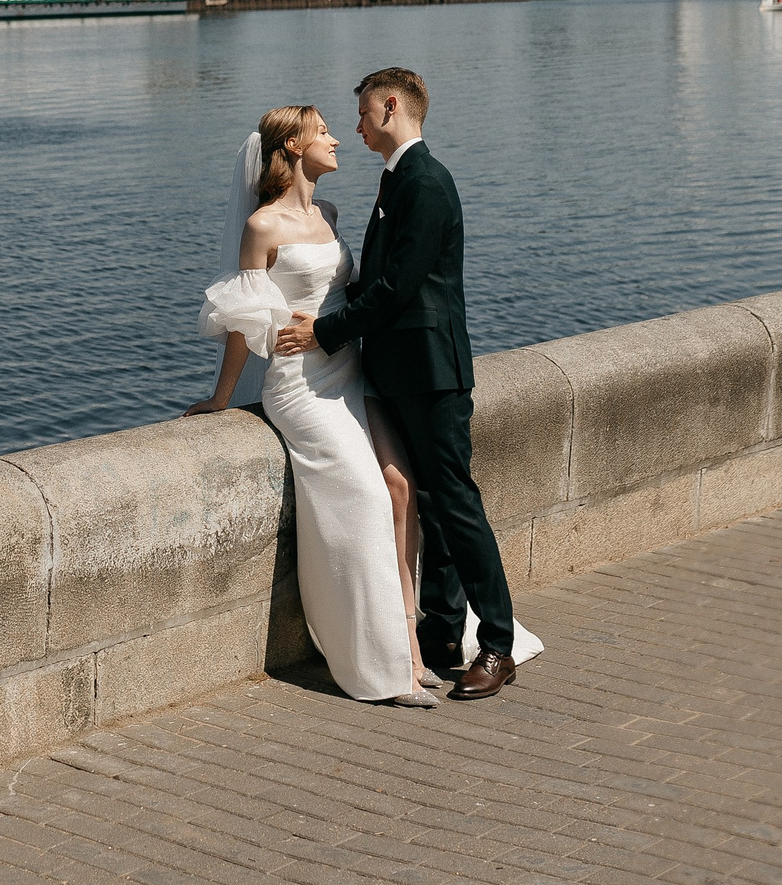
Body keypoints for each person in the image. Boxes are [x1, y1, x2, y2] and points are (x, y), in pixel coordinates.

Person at [277, 66, 532, 701]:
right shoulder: (399, 180)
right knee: (437, 511)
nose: (356, 126)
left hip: (432, 373)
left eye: (363, 113)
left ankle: (496, 645)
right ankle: (445, 632)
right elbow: (379, 281)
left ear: (392, 107)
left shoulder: (426, 181)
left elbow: (400, 288)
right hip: (401, 370)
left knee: (456, 503)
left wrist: (327, 331)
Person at [184, 105, 439, 707]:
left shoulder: (329, 213)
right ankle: (384, 671)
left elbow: (345, 293)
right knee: (371, 499)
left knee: (402, 488)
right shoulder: (262, 227)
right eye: (323, 131)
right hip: (300, 386)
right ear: (294, 147)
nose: (336, 139)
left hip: (348, 371)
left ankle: (413, 650)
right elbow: (244, 325)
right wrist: (222, 398)